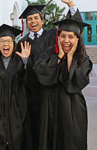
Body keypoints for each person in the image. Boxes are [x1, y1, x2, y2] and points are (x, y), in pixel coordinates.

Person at [17, 0, 80, 150]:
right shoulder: (22, 43)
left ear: (42, 20)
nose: (33, 21)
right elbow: (19, 71)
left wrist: (71, 5)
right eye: (30, 19)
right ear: (26, 22)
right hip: (32, 94)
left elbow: (72, 31)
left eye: (36, 18)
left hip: (52, 92)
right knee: (34, 129)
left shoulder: (54, 35)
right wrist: (24, 62)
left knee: (53, 129)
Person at [33, 18, 92, 150]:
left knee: (72, 142)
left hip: (72, 109)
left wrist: (70, 57)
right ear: (58, 38)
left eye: (71, 37)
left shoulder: (82, 59)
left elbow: (76, 83)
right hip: (49, 107)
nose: (66, 40)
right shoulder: (49, 54)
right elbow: (40, 72)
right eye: (63, 36)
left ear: (77, 39)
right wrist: (59, 57)